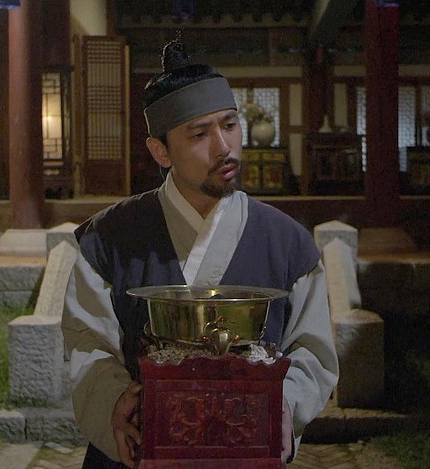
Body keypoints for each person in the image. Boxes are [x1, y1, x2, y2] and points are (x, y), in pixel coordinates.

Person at [61, 37, 339, 468]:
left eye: (229, 125)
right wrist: (114, 400)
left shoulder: (287, 243)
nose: (224, 147)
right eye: (199, 133)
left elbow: (311, 351)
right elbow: (88, 345)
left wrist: (283, 403)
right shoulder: (108, 240)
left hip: (247, 450)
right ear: (160, 150)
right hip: (140, 449)